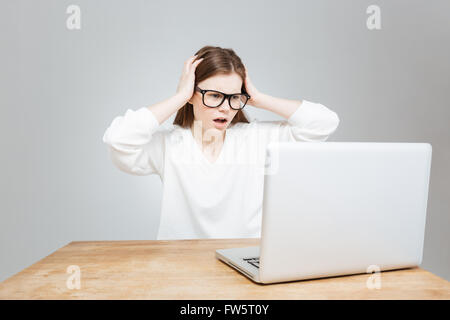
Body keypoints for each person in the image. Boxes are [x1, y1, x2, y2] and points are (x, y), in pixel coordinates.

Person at [102, 45, 340, 240]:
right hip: (179, 267)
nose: (226, 108)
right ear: (192, 94)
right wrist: (178, 97)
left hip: (245, 264)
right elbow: (119, 139)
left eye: (234, 97)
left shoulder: (256, 138)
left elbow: (324, 123)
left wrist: (259, 98)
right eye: (214, 96)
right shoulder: (170, 145)